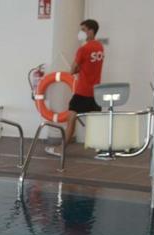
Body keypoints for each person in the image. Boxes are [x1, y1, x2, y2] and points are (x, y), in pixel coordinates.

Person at [47, 19, 105, 156]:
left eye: (83, 30)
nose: (81, 33)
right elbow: (90, 66)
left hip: (82, 91)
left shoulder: (83, 49)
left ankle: (61, 150)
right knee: (96, 122)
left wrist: (79, 68)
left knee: (71, 119)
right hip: (96, 92)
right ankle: (103, 149)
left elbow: (72, 70)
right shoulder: (100, 47)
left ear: (91, 31)